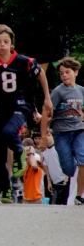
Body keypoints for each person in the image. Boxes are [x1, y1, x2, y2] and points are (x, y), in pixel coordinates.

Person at [0, 24, 52, 204]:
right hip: (0, 110)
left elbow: (40, 73)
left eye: (6, 42)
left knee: (9, 133)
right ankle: (5, 191)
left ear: (11, 43)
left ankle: (19, 153)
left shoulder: (24, 61)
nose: (2, 45)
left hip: (21, 105)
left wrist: (47, 98)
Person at [40, 56, 84, 205]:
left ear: (76, 72)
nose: (64, 75)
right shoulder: (58, 92)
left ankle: (79, 196)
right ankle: (70, 158)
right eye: (61, 73)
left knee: (83, 160)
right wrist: (44, 135)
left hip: (79, 130)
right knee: (69, 170)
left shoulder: (81, 91)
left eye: (67, 72)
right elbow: (46, 113)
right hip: (61, 133)